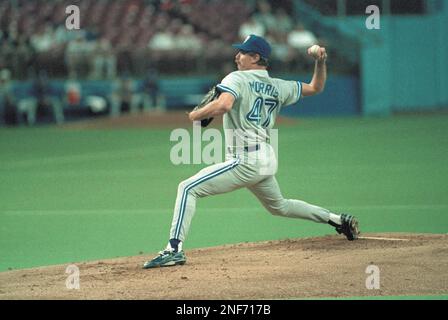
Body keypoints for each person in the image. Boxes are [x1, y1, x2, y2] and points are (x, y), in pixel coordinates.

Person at [143, 34, 360, 269]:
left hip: (246, 160)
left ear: (256, 57)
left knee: (187, 188)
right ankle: (337, 220)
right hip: (266, 156)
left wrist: (196, 114)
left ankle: (173, 249)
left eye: (243, 52)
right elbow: (316, 87)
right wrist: (320, 61)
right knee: (280, 206)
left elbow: (224, 105)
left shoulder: (237, 78)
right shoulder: (279, 86)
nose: (237, 56)